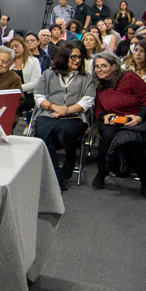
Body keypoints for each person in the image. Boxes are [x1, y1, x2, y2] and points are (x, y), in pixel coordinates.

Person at [92, 51, 146, 197]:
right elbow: (98, 109)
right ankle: (102, 172)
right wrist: (104, 116)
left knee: (132, 140)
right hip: (113, 120)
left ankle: (145, 178)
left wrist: (139, 117)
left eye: (104, 66)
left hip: (137, 118)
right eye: (97, 66)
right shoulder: (99, 84)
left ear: (114, 66)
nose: (99, 69)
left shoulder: (129, 77)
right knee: (107, 136)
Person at [31, 42, 95, 190]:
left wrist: (65, 111)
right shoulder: (48, 74)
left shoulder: (86, 77)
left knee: (65, 131)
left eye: (79, 57)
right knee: (44, 135)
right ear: (64, 57)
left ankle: (70, 158)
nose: (77, 60)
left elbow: (87, 100)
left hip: (74, 116)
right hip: (48, 114)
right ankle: (57, 175)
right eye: (73, 57)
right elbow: (38, 96)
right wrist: (54, 107)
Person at [9, 35, 40, 115]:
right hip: (9, 94)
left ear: (23, 46)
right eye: (11, 47)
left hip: (27, 95)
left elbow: (35, 84)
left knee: (11, 105)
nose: (14, 49)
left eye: (16, 46)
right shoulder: (8, 63)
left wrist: (17, 88)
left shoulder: (34, 61)